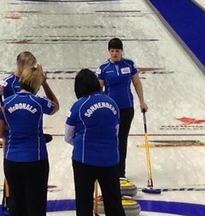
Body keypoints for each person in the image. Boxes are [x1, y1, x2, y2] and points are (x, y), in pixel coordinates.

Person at [0, 65, 59, 216]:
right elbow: (55, 107)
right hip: (35, 160)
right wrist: (46, 84)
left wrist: (10, 130)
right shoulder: (39, 102)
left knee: (16, 205)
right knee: (36, 205)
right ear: (37, 83)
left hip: (12, 160)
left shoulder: (7, 103)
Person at [65, 69, 125, 216]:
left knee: (84, 203)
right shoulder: (113, 103)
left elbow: (68, 136)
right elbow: (116, 132)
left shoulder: (78, 106)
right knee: (114, 202)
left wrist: (84, 144)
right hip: (110, 160)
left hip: (84, 161)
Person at [96, 38, 148, 180]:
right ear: (109, 51)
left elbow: (137, 83)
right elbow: (98, 89)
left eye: (117, 51)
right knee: (111, 138)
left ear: (121, 50)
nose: (115, 53)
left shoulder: (129, 65)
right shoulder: (104, 68)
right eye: (112, 51)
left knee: (122, 139)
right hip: (110, 110)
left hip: (126, 108)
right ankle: (108, 168)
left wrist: (142, 101)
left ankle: (120, 171)